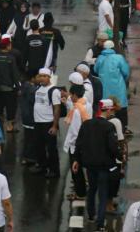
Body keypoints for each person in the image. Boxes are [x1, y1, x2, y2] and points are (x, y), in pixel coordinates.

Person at [73, 99, 122, 231]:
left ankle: (90, 215)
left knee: (92, 190)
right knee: (103, 193)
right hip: (104, 166)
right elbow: (113, 147)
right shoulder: (109, 126)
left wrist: (77, 159)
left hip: (89, 165)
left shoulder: (87, 124)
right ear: (109, 110)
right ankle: (100, 224)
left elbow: (79, 143)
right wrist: (119, 157)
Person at [30, 68, 61, 178]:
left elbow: (57, 108)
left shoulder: (54, 91)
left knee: (51, 148)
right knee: (39, 146)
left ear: (49, 77)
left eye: (44, 76)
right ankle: (42, 166)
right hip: (38, 122)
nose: (41, 78)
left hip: (48, 123)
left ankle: (54, 170)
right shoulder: (38, 88)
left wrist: (54, 125)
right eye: (40, 76)